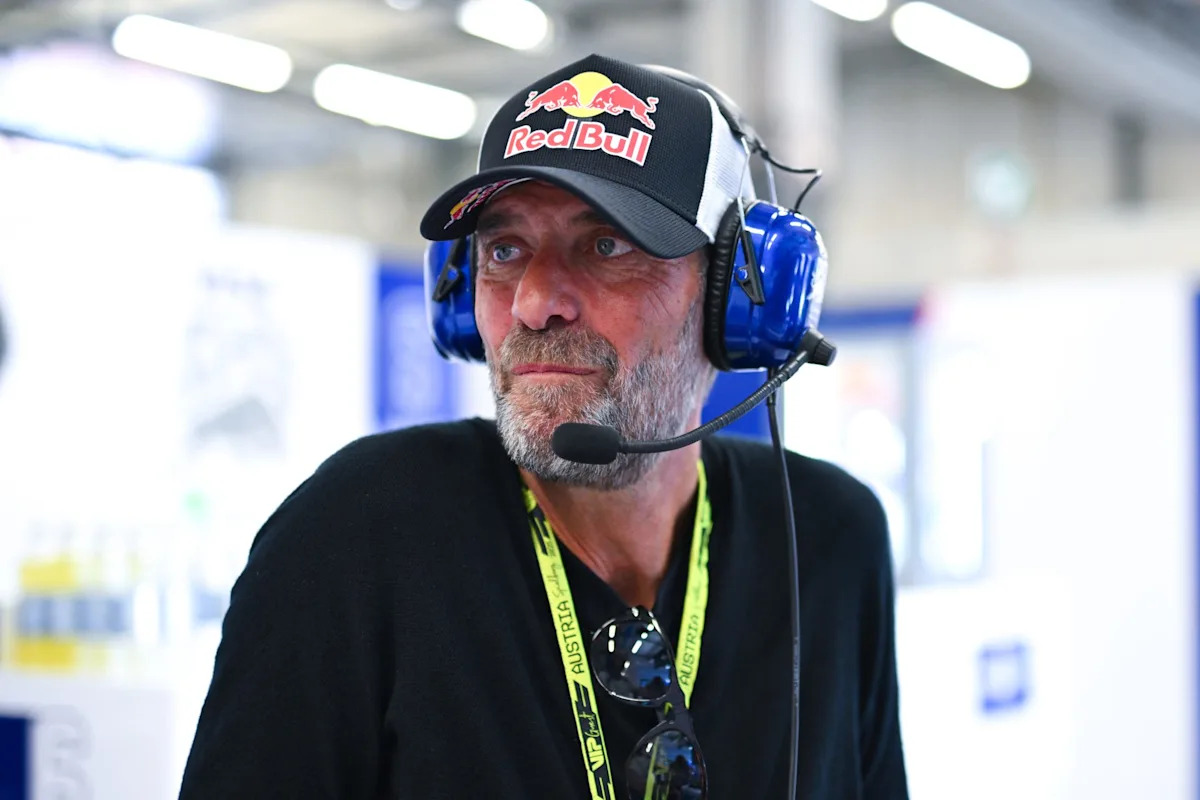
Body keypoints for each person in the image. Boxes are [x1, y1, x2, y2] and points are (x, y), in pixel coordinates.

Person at [179, 54, 908, 799]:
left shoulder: (828, 539)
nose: (533, 302)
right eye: (504, 250)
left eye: (606, 245)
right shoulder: (353, 537)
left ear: (738, 295)